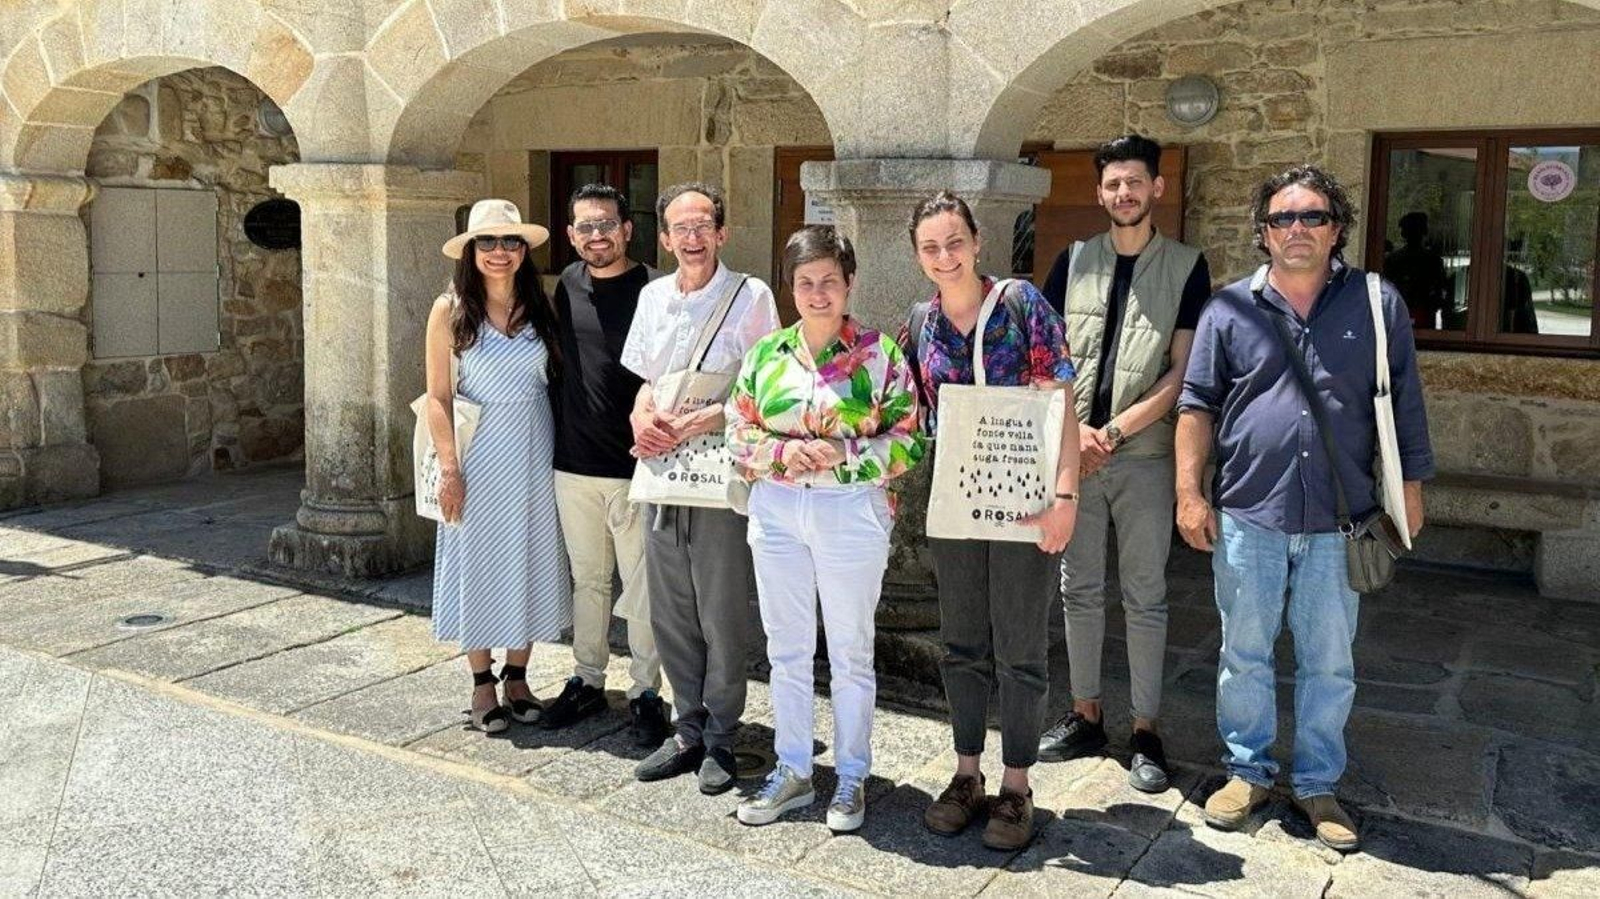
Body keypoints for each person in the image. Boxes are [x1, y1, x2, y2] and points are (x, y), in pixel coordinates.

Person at [1177, 165, 1434, 853]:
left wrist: (1410, 488)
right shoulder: (1228, 309)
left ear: (1336, 228)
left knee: (1329, 660)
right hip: (1249, 512)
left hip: (1339, 517)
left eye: (1312, 216)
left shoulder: (1376, 304)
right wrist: (1189, 493)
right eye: (1282, 218)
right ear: (1263, 232)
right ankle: (1247, 770)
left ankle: (1319, 783)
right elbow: (1196, 406)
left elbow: (1405, 399)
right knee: (1244, 652)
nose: (1297, 229)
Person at [726, 226, 926, 833]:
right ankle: (792, 769)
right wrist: (784, 454)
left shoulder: (879, 355)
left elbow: (910, 439)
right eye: (805, 282)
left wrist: (844, 454)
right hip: (778, 509)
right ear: (790, 287)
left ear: (849, 283)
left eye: (829, 281)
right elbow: (738, 431)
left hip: (850, 510)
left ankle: (851, 774)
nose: (818, 294)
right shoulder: (767, 354)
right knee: (785, 648)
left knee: (850, 650)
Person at [900, 191, 1080, 852]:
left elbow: (1062, 399)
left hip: (1026, 499)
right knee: (963, 643)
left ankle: (1017, 785)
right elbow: (908, 414)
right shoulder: (920, 322)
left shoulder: (1021, 304)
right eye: (930, 247)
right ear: (918, 255)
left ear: (977, 242)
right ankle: (967, 773)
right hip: (957, 502)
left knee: (1021, 648)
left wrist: (1066, 496)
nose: (945, 256)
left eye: (955, 242)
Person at [1035, 135, 1211, 793]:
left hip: (1143, 457)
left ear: (1156, 188)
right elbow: (1046, 357)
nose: (1124, 193)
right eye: (1113, 183)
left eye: (1135, 181)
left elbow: (1182, 371)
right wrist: (1074, 434)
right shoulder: (1073, 260)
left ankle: (1145, 729)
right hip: (1074, 454)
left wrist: (1109, 431)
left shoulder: (1187, 266)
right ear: (1101, 192)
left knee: (1145, 594)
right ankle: (1085, 713)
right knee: (1078, 587)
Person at [622, 182, 781, 794]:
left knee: (720, 610)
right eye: (680, 228)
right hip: (663, 470)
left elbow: (764, 386)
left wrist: (700, 420)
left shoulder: (751, 296)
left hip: (718, 470)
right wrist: (641, 417)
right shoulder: (653, 297)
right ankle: (686, 726)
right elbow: (646, 380)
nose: (692, 238)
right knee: (670, 608)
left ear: (722, 232)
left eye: (703, 226)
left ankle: (720, 733)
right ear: (664, 238)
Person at [424, 198, 571, 734]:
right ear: (471, 250)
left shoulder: (542, 306)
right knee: (477, 561)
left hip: (534, 446)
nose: (499, 251)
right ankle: (482, 683)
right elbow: (438, 397)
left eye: (510, 241)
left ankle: (519, 676)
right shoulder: (449, 310)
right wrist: (450, 470)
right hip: (478, 455)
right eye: (487, 241)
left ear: (524, 251)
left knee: (528, 554)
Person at [544, 183, 669, 747]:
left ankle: (646, 692)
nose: (597, 236)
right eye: (586, 227)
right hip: (573, 463)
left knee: (642, 587)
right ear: (572, 236)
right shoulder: (567, 285)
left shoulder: (656, 291)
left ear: (627, 229)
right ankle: (587, 678)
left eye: (607, 225)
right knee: (588, 581)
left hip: (636, 467)